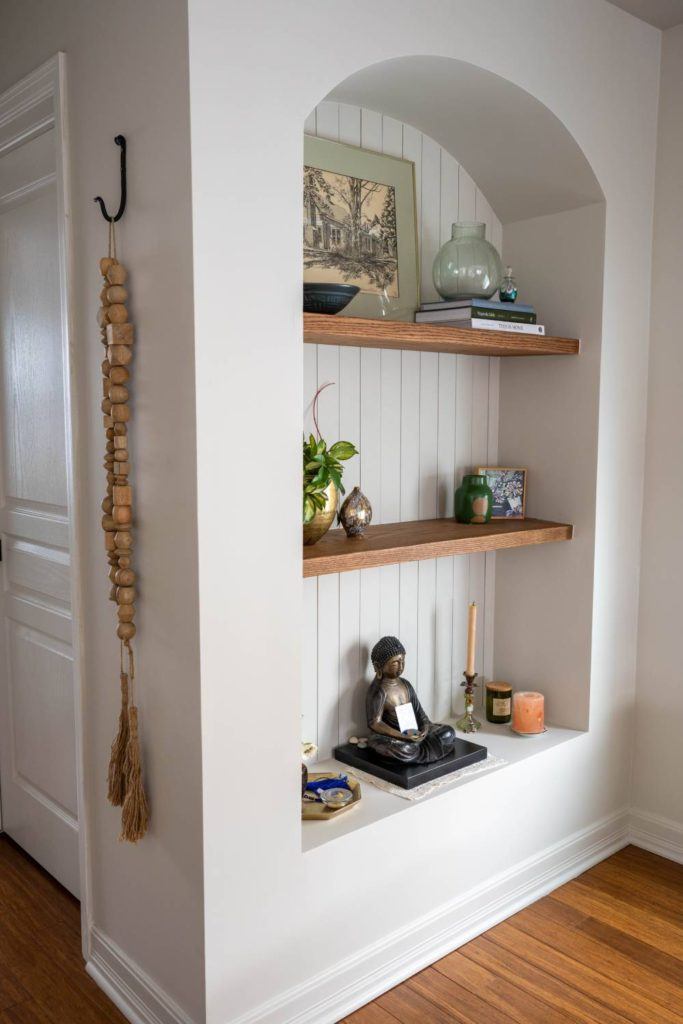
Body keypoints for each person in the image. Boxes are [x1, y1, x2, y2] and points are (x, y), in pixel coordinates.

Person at [366, 636, 456, 764]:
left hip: (414, 733)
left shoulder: (406, 685)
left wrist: (425, 728)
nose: (401, 666)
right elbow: (374, 723)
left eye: (403, 661)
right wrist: (403, 736)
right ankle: (422, 751)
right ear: (378, 666)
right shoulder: (378, 691)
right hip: (394, 737)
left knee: (448, 732)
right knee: (400, 748)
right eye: (395, 663)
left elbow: (420, 713)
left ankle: (418, 751)